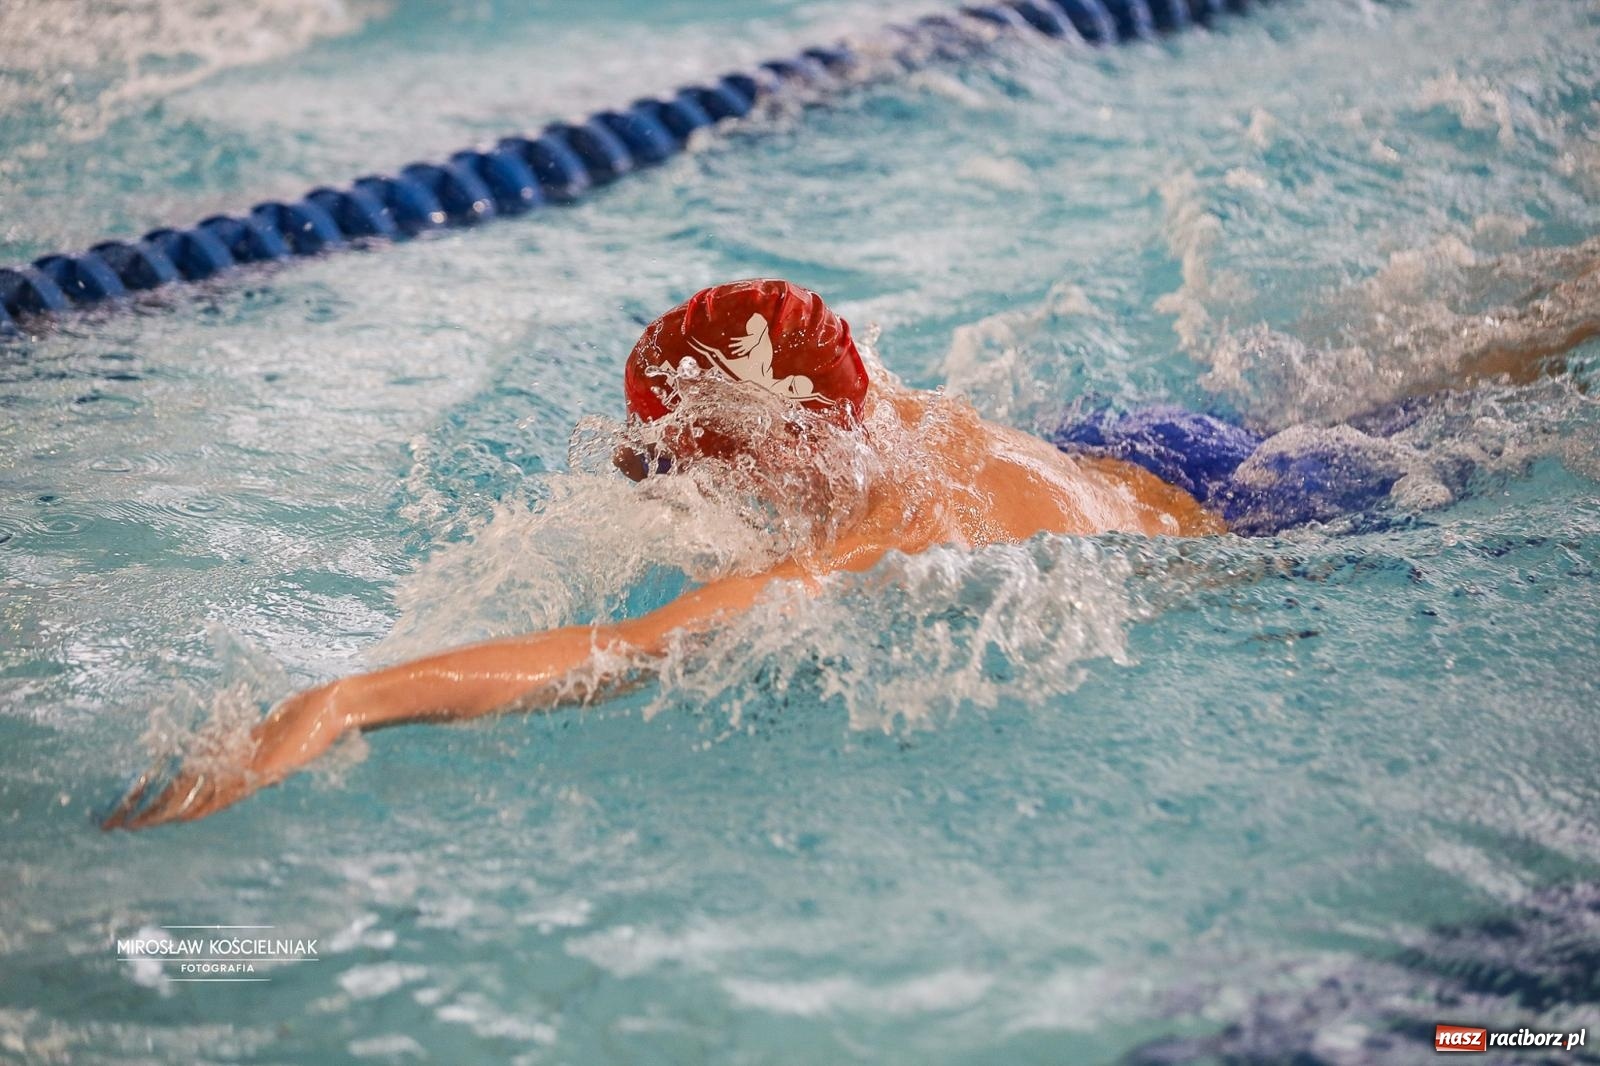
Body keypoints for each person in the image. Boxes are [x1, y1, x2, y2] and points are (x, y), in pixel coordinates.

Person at [102, 274, 1582, 829]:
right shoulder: (877, 408)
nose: (688, 485)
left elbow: (627, 649)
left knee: (1452, 419)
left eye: (702, 457)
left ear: (787, 445)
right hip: (1113, 439)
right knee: (1407, 370)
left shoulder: (876, 530)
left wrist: (341, 698)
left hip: (1249, 517)